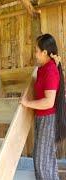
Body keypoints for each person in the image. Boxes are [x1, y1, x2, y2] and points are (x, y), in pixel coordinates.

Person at [21, 33, 66, 180]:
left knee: (42, 161)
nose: (35, 54)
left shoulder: (50, 70)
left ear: (45, 52)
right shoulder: (43, 69)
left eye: (36, 50)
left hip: (49, 118)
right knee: (45, 160)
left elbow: (48, 101)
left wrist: (27, 103)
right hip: (42, 118)